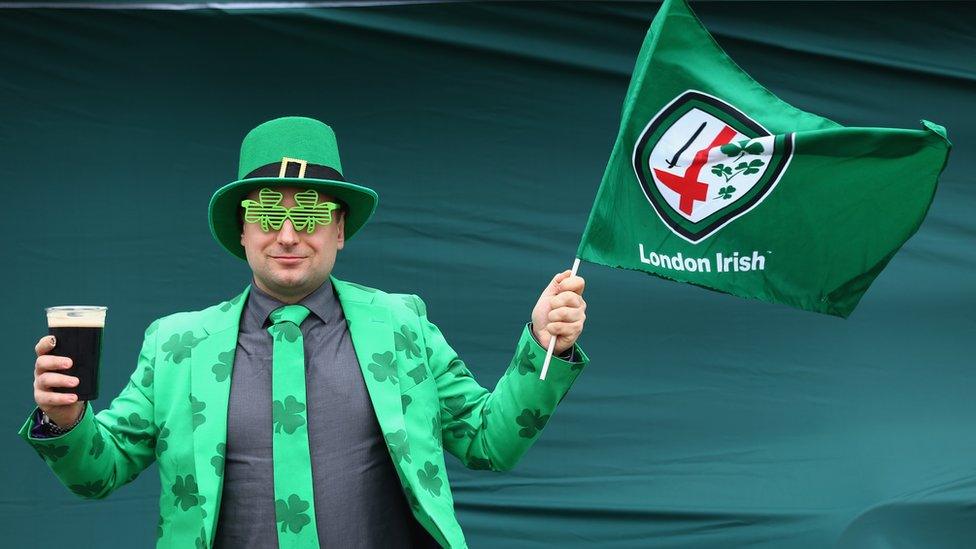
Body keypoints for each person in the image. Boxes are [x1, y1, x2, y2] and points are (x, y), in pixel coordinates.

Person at [18, 116, 590, 548]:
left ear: (339, 230)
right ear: (242, 230)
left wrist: (542, 347)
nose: (288, 234)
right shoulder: (176, 345)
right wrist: (65, 421)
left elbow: (490, 443)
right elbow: (99, 473)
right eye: (268, 211)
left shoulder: (402, 325)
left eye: (312, 213)